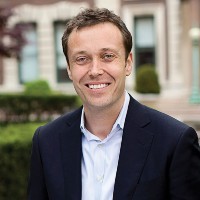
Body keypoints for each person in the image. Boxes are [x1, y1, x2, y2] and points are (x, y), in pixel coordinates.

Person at [28, 8, 200, 200]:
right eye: (82, 59)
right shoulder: (46, 141)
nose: (95, 70)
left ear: (128, 63)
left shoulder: (175, 141)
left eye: (107, 56)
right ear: (69, 69)